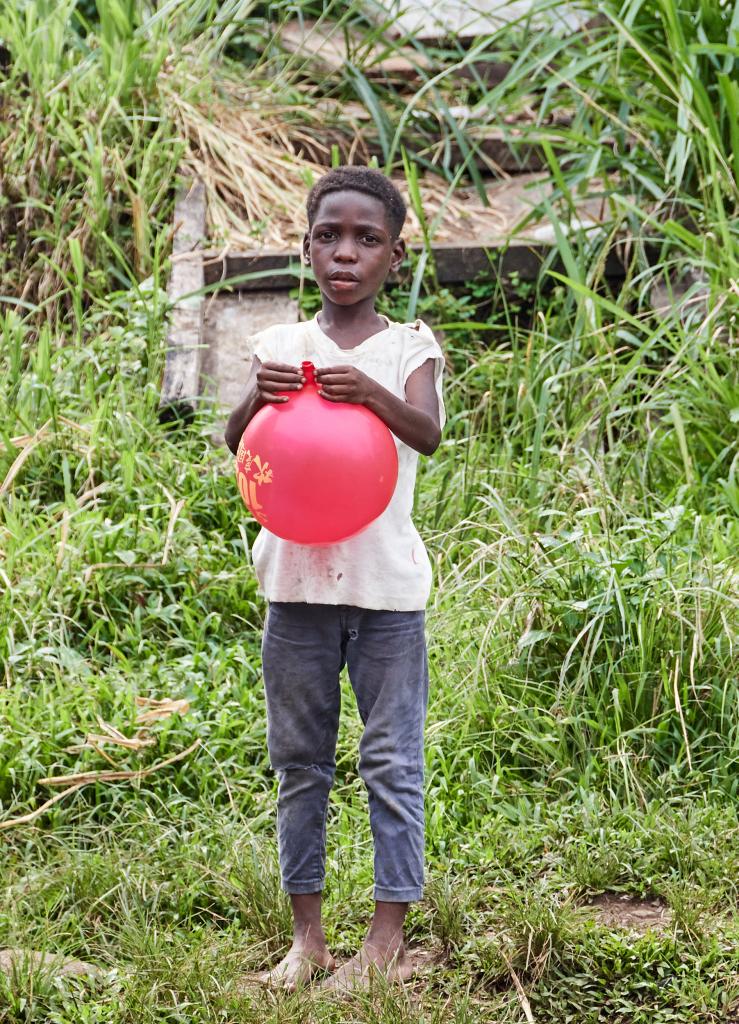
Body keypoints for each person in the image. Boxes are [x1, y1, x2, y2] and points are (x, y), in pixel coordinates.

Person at [225, 166, 445, 992]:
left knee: (390, 759)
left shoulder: (409, 346)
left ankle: (384, 942)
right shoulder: (280, 346)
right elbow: (235, 440)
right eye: (329, 236)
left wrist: (372, 394)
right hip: (295, 592)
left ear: (395, 253)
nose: (345, 252)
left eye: (366, 239)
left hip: (386, 595)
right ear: (307, 247)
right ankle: (307, 940)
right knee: (299, 763)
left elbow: (425, 432)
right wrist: (256, 397)